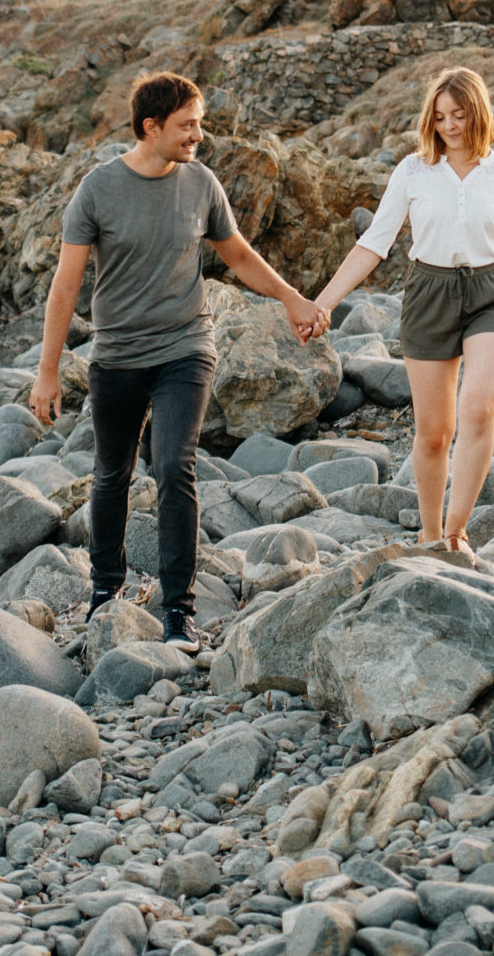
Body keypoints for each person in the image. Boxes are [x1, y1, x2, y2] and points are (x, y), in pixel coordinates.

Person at [32, 70, 327, 650]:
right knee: (112, 473)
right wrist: (46, 372)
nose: (200, 135)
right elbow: (65, 287)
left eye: (200, 124)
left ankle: (178, 610)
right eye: (188, 125)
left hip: (185, 348)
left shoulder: (201, 183)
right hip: (116, 354)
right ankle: (105, 589)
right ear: (151, 127)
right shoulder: (96, 190)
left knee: (173, 466)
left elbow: (237, 253)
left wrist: (292, 297)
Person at [311, 66, 494, 552]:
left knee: (479, 409)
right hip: (429, 293)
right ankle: (431, 533)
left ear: (477, 113)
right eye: (440, 117)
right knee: (435, 433)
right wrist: (324, 302)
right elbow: (374, 243)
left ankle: (457, 534)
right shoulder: (413, 170)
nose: (450, 126)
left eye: (459, 115)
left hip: (492, 296)